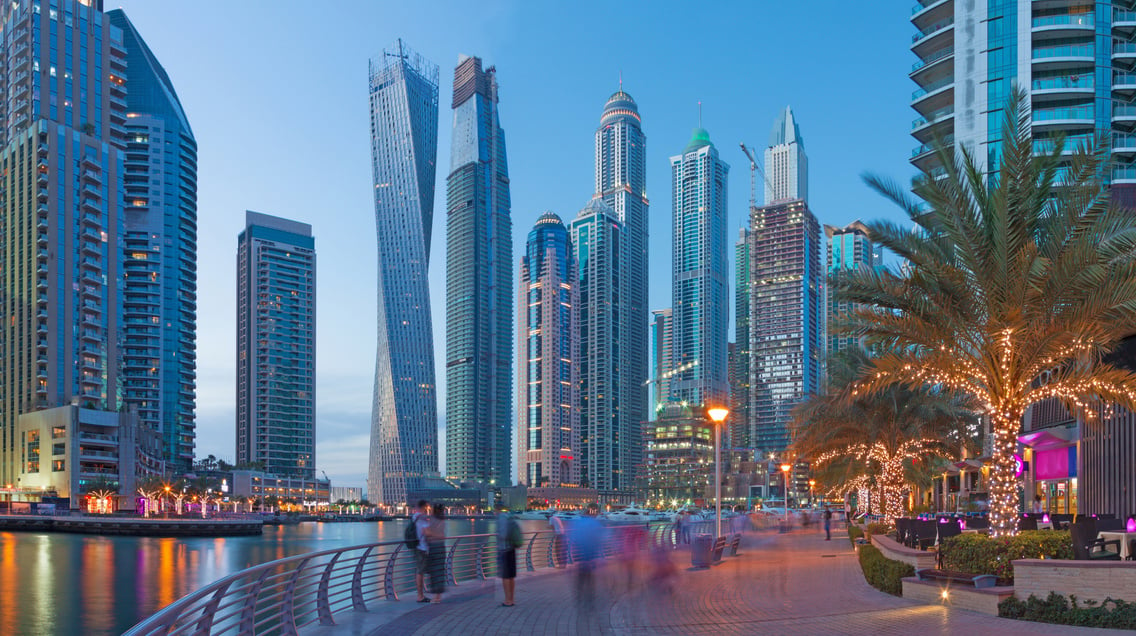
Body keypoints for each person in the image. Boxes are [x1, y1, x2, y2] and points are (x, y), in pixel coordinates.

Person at [571, 503, 605, 609]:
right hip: (591, 554)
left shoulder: (579, 524)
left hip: (581, 554)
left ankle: (579, 597)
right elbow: (600, 538)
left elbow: (574, 539)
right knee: (590, 577)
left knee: (581, 577)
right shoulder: (594, 524)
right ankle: (590, 597)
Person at [496, 511, 522, 606]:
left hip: (504, 550)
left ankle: (507, 600)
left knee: (505, 576)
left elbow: (503, 535)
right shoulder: (510, 519)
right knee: (511, 576)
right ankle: (512, 599)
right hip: (512, 549)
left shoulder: (502, 519)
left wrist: (498, 534)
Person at [425, 503, 447, 603]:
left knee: (434, 572)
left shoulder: (432, 520)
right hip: (441, 547)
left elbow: (427, 533)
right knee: (440, 571)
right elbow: (442, 535)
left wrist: (429, 534)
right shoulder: (443, 520)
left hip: (434, 547)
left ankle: (435, 597)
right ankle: (438, 596)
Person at [412, 500, 431, 603]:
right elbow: (426, 532)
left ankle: (421, 594)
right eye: (427, 507)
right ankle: (420, 596)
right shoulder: (422, 518)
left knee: (420, 571)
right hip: (422, 547)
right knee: (420, 572)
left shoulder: (414, 517)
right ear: (423, 507)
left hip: (416, 546)